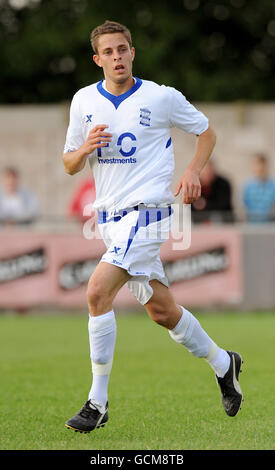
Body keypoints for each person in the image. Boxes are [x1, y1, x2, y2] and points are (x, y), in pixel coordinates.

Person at [62, 20, 243, 433]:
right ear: (97, 59)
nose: (117, 57)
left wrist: (193, 171)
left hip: (149, 214)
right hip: (108, 220)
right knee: (162, 312)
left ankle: (98, 401)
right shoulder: (83, 101)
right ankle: (223, 363)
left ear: (132, 52)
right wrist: (85, 148)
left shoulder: (161, 97)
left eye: (122, 49)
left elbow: (206, 132)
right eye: (108, 52)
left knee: (96, 291)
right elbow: (69, 164)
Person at [191, 159, 234, 223]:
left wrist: (205, 204)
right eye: (204, 172)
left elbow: (223, 204)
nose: (207, 174)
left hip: (222, 222)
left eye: (208, 171)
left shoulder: (223, 184)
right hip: (198, 223)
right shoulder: (193, 185)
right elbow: (189, 206)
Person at [243, 153, 275, 223]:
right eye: (257, 164)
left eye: (261, 164)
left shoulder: (273, 186)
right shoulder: (247, 186)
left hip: (270, 226)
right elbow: (244, 208)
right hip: (251, 225)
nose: (260, 167)